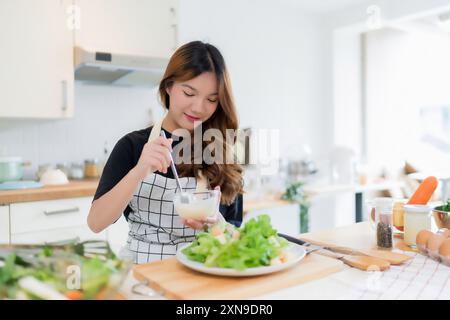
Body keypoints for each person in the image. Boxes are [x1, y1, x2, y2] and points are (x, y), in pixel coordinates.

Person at [87, 41, 244, 264]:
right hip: (142, 274)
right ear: (169, 86)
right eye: (189, 93)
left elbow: (235, 235)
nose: (199, 107)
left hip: (201, 273)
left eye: (211, 99)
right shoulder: (132, 145)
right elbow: (96, 223)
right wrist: (139, 171)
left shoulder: (222, 151)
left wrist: (215, 226)